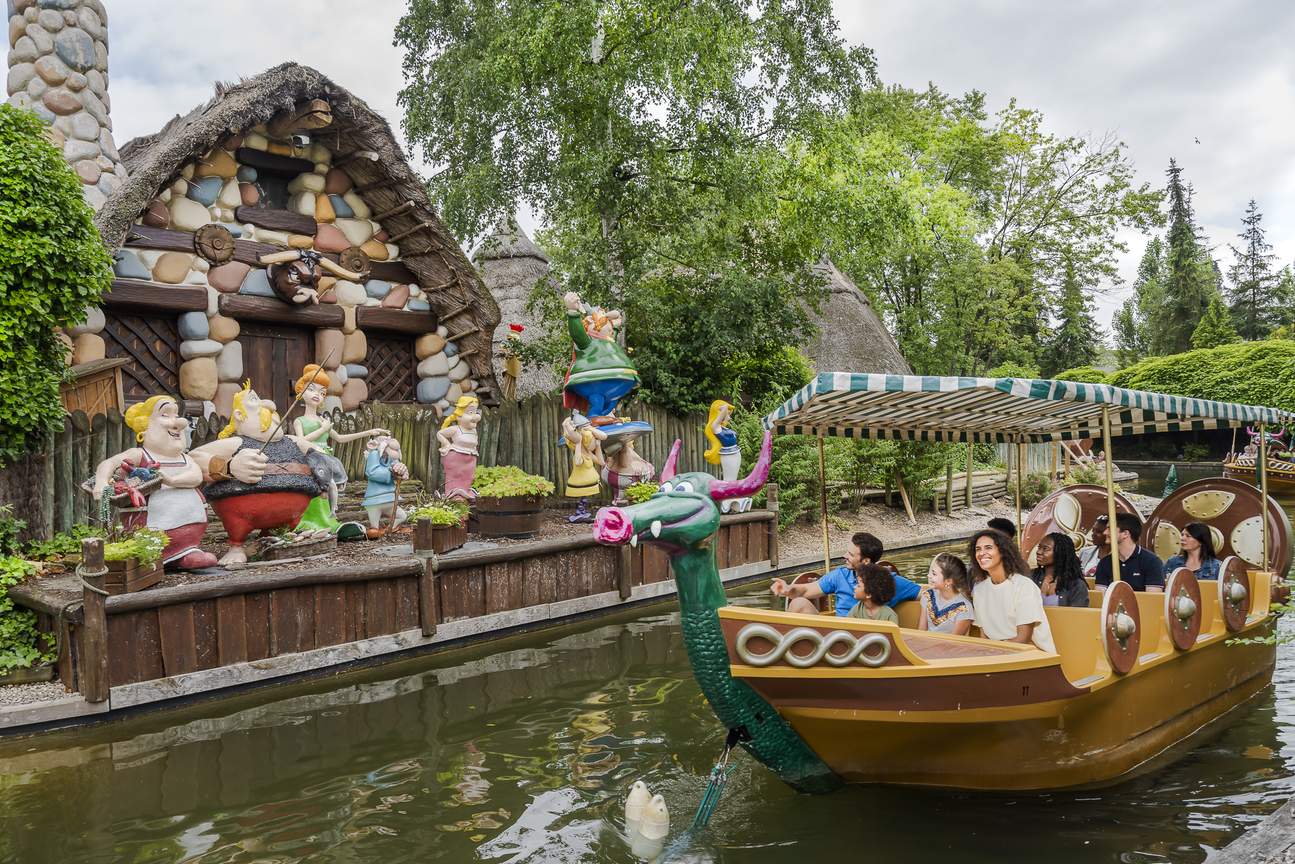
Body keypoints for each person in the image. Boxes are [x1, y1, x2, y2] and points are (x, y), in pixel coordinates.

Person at [771, 531, 920, 616]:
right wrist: (788, 589)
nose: (844, 556)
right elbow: (806, 590)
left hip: (868, 639)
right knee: (798, 603)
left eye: (850, 554)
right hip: (835, 636)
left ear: (866, 561)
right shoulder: (839, 575)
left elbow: (925, 592)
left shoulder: (889, 582)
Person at [969, 529, 1057, 652]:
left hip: (1033, 656)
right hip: (997, 654)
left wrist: (994, 652)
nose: (981, 553)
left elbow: (1023, 638)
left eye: (988, 547)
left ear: (1003, 552)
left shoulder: (1024, 586)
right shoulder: (979, 590)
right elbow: (984, 636)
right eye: (978, 549)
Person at [1094, 512, 1164, 593]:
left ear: (1125, 534)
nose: (1105, 532)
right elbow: (1100, 596)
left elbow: (1152, 598)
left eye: (1110, 528)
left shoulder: (1151, 561)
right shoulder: (1105, 563)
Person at [917, 553, 975, 635]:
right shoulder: (928, 595)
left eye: (934, 574)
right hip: (926, 643)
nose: (928, 575)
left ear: (948, 581)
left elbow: (954, 641)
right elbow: (921, 631)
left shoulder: (964, 608)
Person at [1030, 532, 1090, 608]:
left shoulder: (1076, 585)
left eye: (1045, 549)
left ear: (1060, 552)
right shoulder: (1031, 577)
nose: (1038, 552)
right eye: (1039, 548)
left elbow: (1078, 616)